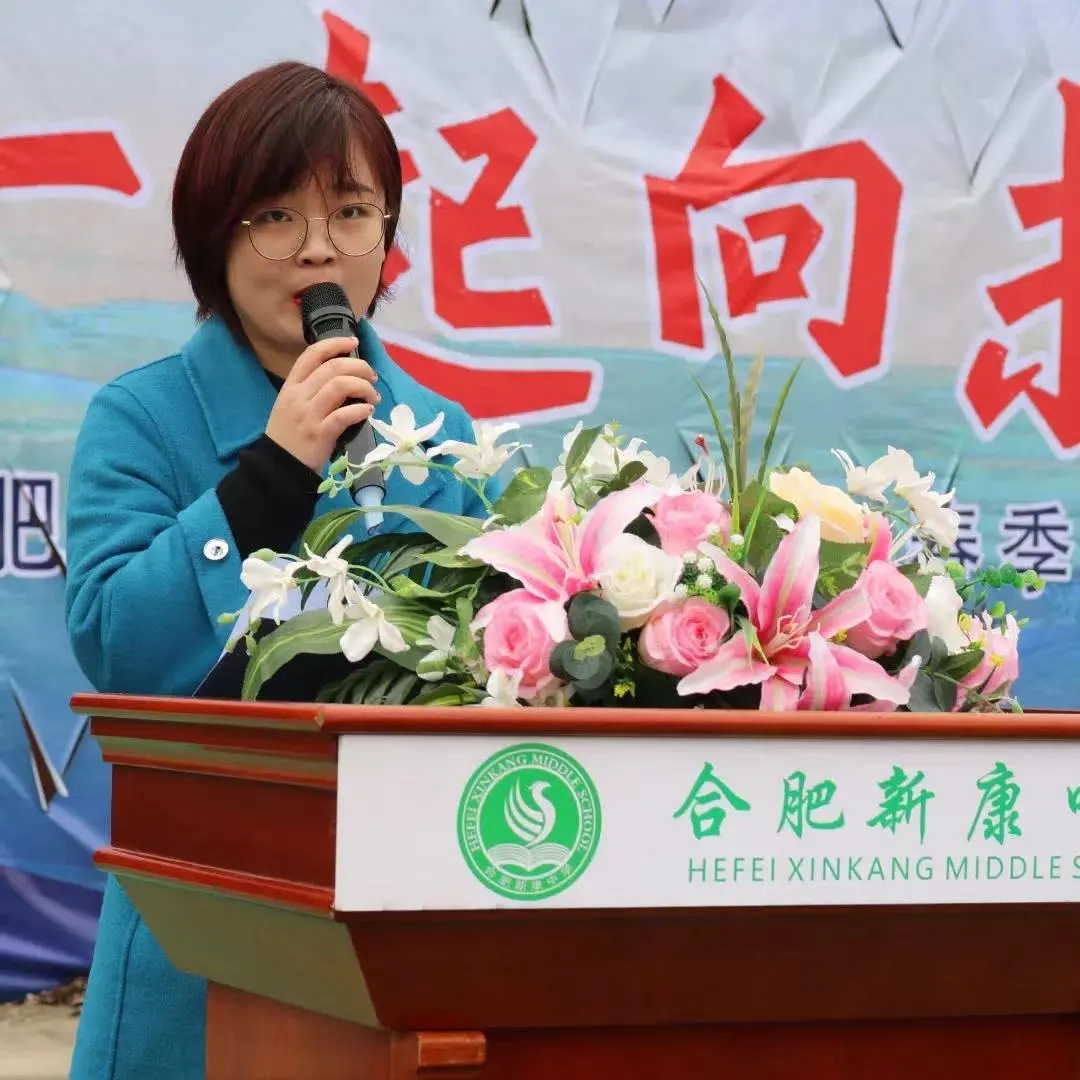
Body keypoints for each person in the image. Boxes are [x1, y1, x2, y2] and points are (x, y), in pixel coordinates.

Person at [64, 61, 492, 1080]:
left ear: (387, 233)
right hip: (203, 931)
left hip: (404, 925)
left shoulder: (443, 435)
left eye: (351, 211)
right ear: (214, 234)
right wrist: (273, 473)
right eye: (274, 216)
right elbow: (118, 647)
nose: (317, 248)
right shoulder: (139, 418)